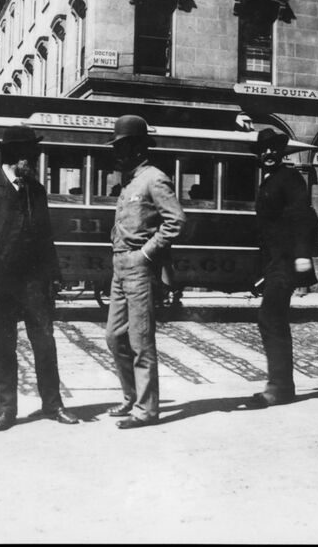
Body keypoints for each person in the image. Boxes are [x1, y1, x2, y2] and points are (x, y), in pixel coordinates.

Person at [0, 125, 78, 432]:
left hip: (34, 283)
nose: (34, 160)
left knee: (45, 343)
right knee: (4, 347)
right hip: (1, 282)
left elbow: (45, 236)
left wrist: (55, 275)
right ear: (14, 156)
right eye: (29, 154)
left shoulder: (35, 190)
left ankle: (53, 405)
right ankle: (6, 411)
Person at [104, 115, 186, 429]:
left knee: (140, 339)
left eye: (125, 146)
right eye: (117, 147)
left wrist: (145, 253)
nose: (120, 153)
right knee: (114, 337)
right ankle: (130, 396)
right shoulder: (128, 181)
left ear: (140, 147)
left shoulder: (155, 178)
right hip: (119, 265)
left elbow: (175, 222)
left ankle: (146, 409)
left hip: (139, 267)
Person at [247, 128, 317, 409]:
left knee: (271, 317)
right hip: (274, 262)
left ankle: (280, 388)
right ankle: (281, 385)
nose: (268, 153)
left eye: (273, 149)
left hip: (287, 261)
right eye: (263, 149)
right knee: (272, 318)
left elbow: (303, 216)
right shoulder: (269, 180)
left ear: (281, 151)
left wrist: (302, 255)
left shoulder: (289, 178)